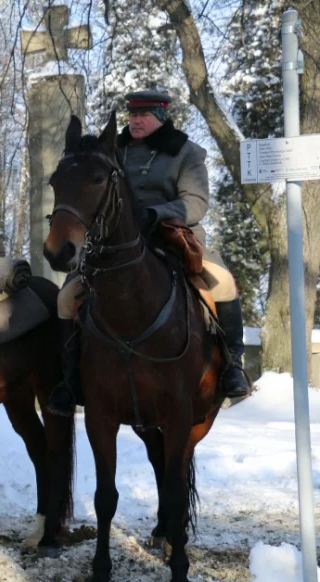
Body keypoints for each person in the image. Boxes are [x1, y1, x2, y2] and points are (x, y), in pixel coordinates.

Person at [46, 89, 251, 416]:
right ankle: (69, 380)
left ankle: (232, 366)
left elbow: (196, 203)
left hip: (172, 235)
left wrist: (154, 213)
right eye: (133, 114)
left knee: (224, 282)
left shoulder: (186, 152)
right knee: (66, 297)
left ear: (162, 115)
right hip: (114, 245)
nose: (137, 120)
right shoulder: (112, 150)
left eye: (145, 115)